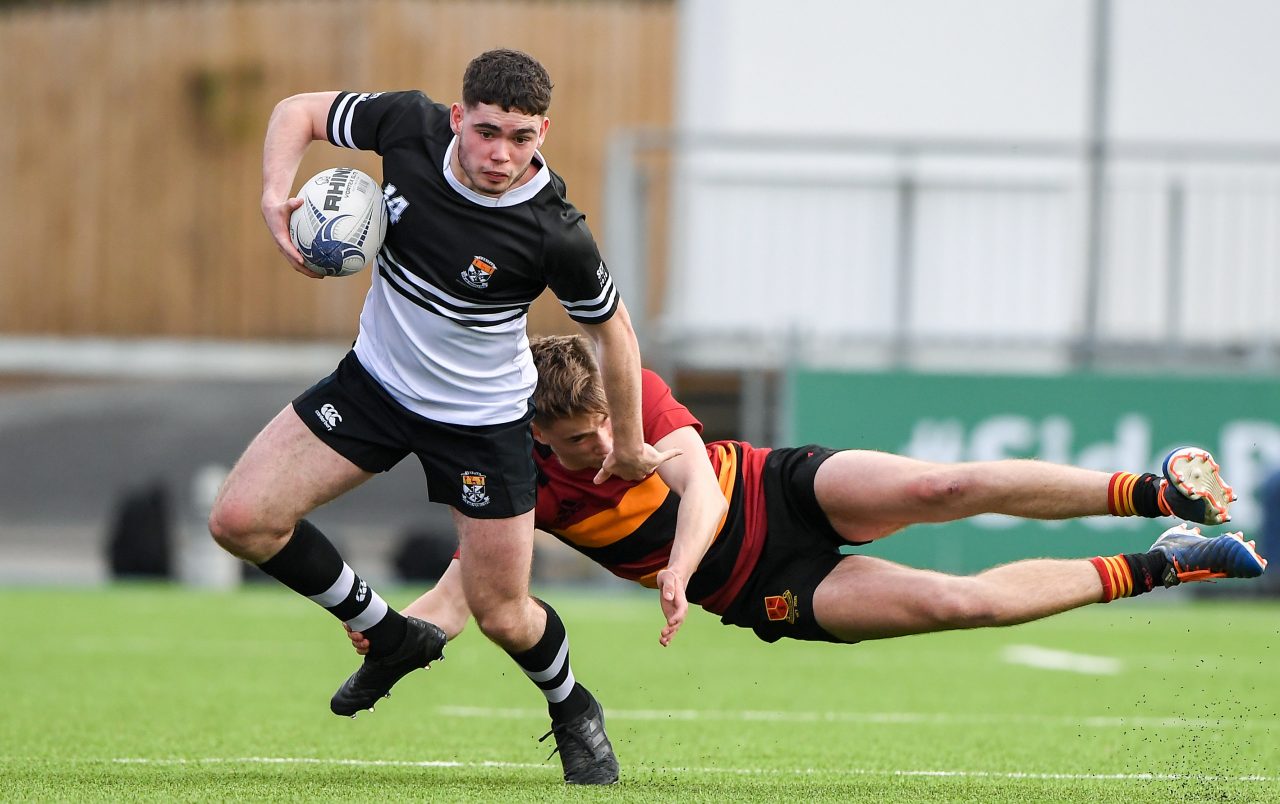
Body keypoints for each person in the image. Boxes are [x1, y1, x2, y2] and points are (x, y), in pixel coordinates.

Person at [208, 50, 678, 786]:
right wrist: (274, 195)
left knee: (502, 613)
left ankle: (573, 707)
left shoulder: (553, 230)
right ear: (457, 117)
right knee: (240, 520)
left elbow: (614, 332)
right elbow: (297, 111)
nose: (501, 155)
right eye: (486, 132)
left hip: (482, 422)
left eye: (521, 138)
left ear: (544, 133)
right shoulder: (408, 125)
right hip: (374, 387)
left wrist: (630, 443)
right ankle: (387, 633)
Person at [348, 334, 1266, 662]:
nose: (603, 447)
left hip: (771, 489)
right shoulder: (519, 475)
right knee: (961, 604)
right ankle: (1165, 565)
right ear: (538, 436)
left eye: (604, 427)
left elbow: (699, 489)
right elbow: (478, 579)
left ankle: (1154, 489)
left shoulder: (637, 399)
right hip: (760, 588)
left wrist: (675, 568)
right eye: (580, 442)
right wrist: (402, 630)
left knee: (940, 484)